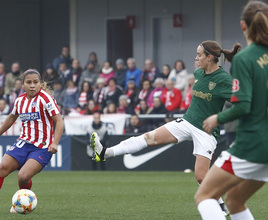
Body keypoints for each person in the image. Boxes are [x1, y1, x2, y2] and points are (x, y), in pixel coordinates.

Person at [90, 40, 241, 215]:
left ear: (210, 57)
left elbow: (242, 101)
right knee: (149, 137)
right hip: (187, 122)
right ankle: (104, 153)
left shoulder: (223, 80)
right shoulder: (199, 73)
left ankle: (221, 205)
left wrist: (222, 117)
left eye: (199, 54)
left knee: (200, 176)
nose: (196, 57)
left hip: (206, 131)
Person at [195, 2, 268, 219]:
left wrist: (217, 118)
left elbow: (243, 106)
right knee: (235, 201)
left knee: (204, 196)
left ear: (243, 26)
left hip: (252, 144)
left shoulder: (244, 59)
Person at [0, 69, 64, 215]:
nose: (32, 85)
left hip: (42, 147)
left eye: (35, 82)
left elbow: (59, 121)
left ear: (40, 84)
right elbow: (11, 118)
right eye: (29, 82)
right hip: (23, 143)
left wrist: (55, 143)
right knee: (1, 168)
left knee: (23, 176)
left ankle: (20, 202)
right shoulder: (20, 100)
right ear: (23, 85)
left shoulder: (45, 99)